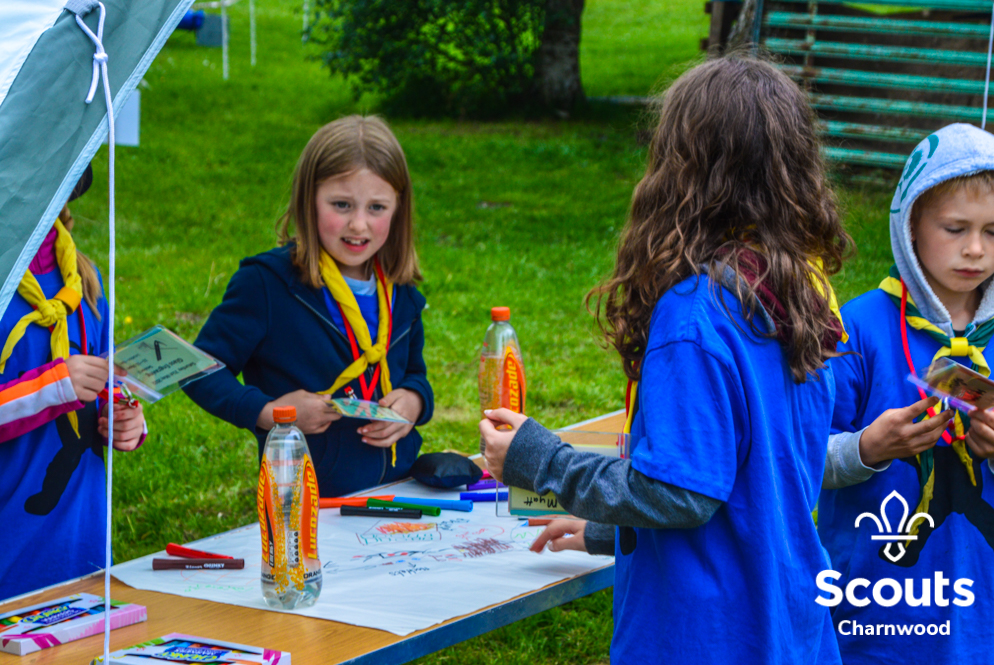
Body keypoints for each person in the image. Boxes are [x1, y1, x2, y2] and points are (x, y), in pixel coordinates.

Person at [479, 55, 850, 664]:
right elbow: (750, 484)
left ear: (681, 172)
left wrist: (538, 459)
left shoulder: (698, 314)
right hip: (787, 624)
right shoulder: (797, 297)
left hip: (706, 637)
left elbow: (680, 494)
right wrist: (610, 529)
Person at [820, 123, 994, 663]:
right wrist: (867, 449)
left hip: (985, 620)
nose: (975, 249)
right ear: (911, 224)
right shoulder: (854, 328)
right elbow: (797, 459)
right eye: (955, 228)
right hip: (878, 614)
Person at [184, 115, 433, 497]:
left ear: (399, 209)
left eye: (377, 208)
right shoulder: (267, 283)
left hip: (399, 491)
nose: (359, 225)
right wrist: (271, 414)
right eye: (341, 205)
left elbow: (414, 372)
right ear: (308, 200)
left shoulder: (400, 290)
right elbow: (198, 368)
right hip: (305, 502)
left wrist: (415, 401)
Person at [0, 168, 146, 600]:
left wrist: (125, 421)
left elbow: (105, 382)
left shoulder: (84, 280)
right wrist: (55, 387)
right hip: (10, 550)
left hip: (81, 545)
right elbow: (63, 384)